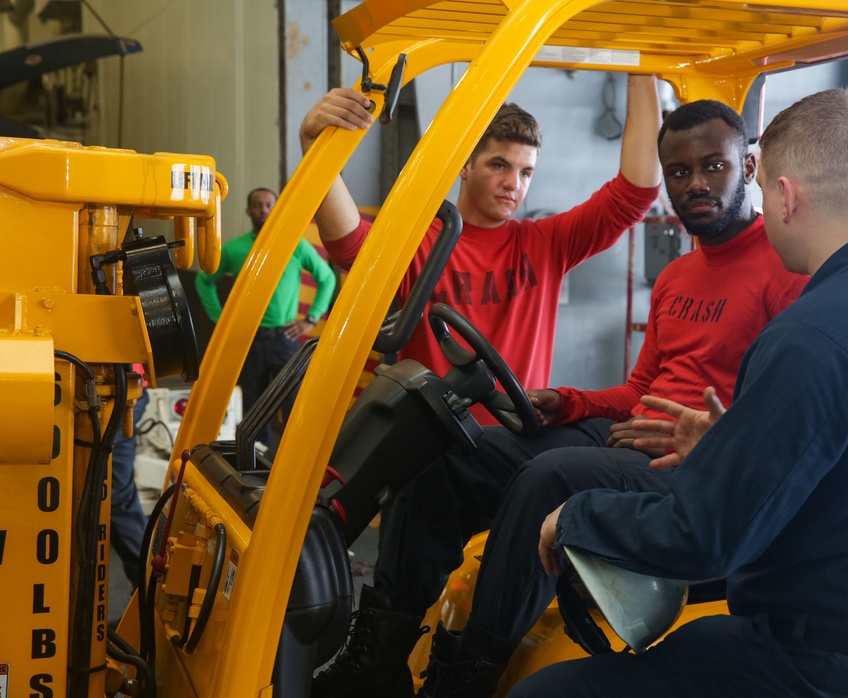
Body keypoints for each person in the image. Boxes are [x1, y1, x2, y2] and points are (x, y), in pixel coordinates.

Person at [313, 99, 808, 698]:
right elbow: (638, 390)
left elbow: (792, 418)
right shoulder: (678, 276)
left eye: (713, 167)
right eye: (679, 172)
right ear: (465, 168)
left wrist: (715, 438)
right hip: (628, 436)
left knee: (551, 475)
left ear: (749, 168)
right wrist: (569, 401)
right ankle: (380, 652)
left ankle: (465, 676)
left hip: (692, 462)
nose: (695, 184)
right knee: (445, 456)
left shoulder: (785, 270)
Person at [511, 88, 848, 698]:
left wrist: (576, 516)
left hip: (812, 665)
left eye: (763, 191)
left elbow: (703, 539)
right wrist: (730, 449)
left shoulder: (813, 333)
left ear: (785, 195)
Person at [299, 76, 662, 425]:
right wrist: (315, 148)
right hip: (435, 449)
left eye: (526, 172)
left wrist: (642, 66)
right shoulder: (424, 243)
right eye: (499, 165)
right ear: (465, 165)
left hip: (516, 445)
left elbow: (636, 194)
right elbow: (349, 245)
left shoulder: (547, 244)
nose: (513, 184)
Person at [195, 187, 336, 447]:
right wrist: (220, 318)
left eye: (269, 205)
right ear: (249, 211)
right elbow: (204, 281)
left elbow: (327, 278)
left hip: (285, 338)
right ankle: (256, 469)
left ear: (276, 208)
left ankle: (294, 459)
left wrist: (311, 318)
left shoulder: (295, 245)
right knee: (254, 408)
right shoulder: (234, 249)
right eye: (258, 205)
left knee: (293, 405)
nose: (264, 210)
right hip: (250, 341)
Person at [110, 386, 150, 590]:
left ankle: (148, 590)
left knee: (113, 496)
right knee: (115, 497)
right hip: (121, 392)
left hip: (117, 394)